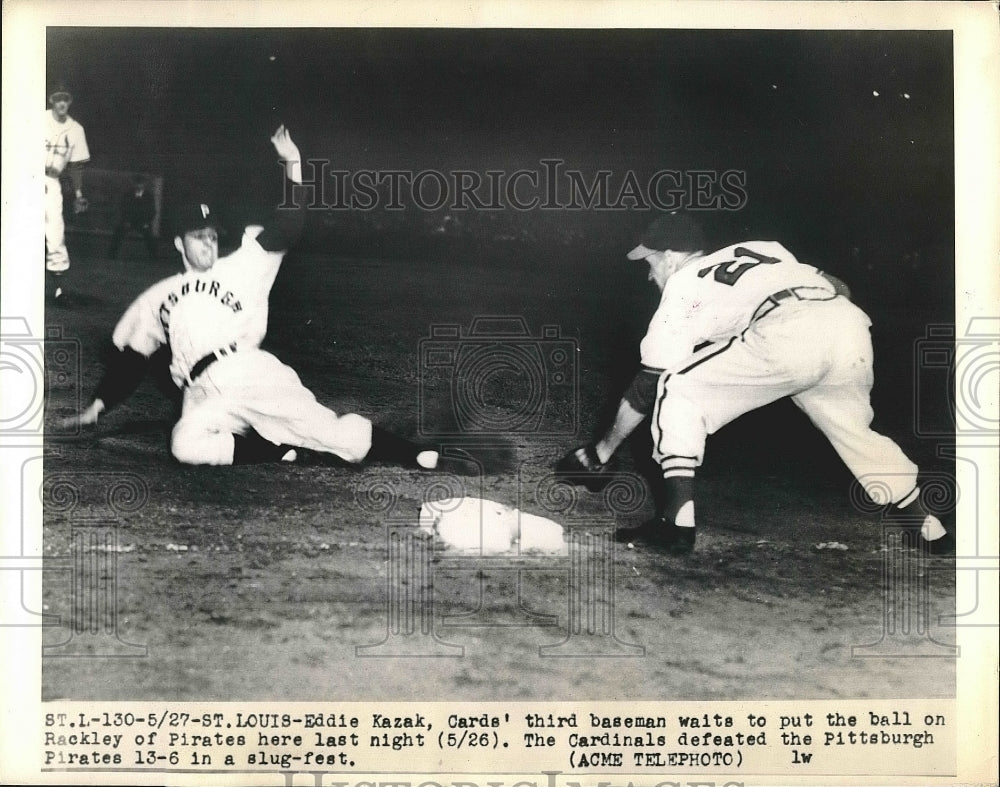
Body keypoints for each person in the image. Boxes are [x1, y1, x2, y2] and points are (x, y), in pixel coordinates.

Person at [558, 212, 953, 555]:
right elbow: (839, 285)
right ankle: (929, 529)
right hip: (847, 324)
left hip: (788, 331)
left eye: (652, 261)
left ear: (673, 256)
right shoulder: (763, 248)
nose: (649, 272)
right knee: (854, 431)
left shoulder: (683, 286)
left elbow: (650, 382)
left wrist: (602, 451)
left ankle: (675, 524)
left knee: (678, 389)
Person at [64, 125, 440, 472]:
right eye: (199, 235)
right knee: (184, 444)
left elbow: (289, 225)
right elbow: (132, 360)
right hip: (199, 392)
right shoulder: (157, 296)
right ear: (179, 243)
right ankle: (276, 451)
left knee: (338, 439)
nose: (209, 242)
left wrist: (293, 163)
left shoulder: (243, 263)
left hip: (247, 371)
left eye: (212, 235)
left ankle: (416, 453)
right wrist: (97, 407)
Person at [45, 83, 90, 300]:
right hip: (27, 178)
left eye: (66, 98)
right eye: (57, 98)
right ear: (51, 100)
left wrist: (79, 195)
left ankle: (58, 289)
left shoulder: (76, 129)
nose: (62, 102)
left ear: (70, 102)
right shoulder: (38, 119)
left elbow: (75, 166)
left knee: (55, 232)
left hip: (53, 181)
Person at [109, 174, 158, 259]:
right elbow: (123, 209)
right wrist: (126, 221)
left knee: (149, 237)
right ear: (134, 185)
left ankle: (153, 257)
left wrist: (146, 222)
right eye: (137, 184)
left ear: (144, 185)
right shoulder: (128, 195)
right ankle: (111, 255)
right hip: (129, 221)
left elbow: (152, 211)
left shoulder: (148, 196)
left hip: (143, 222)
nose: (139, 186)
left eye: (141, 184)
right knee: (118, 233)